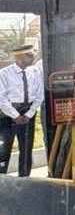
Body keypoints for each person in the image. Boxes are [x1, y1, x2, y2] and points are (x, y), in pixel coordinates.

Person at [0, 45, 44, 176]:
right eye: (29, 55)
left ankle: (24, 179)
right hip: (7, 115)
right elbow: (1, 98)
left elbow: (39, 95)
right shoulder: (4, 73)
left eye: (32, 55)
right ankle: (2, 179)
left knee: (26, 150)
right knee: (4, 149)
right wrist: (15, 115)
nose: (33, 57)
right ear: (18, 57)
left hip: (28, 113)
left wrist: (29, 114)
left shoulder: (35, 72)